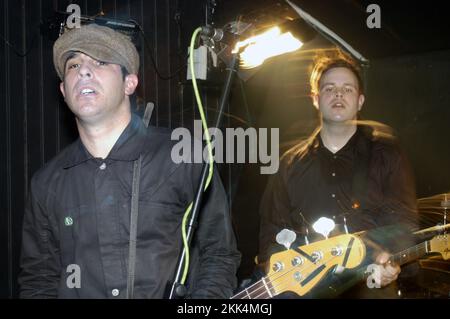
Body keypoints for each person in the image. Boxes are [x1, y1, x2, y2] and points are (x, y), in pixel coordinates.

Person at [18, 24, 240, 298]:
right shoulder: (46, 183)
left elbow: (219, 255)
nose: (84, 71)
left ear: (129, 83)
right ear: (64, 90)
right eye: (74, 66)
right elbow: (38, 281)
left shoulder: (184, 157)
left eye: (100, 61)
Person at [257, 50, 418, 298]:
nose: (339, 94)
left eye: (348, 89)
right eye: (330, 88)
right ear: (315, 98)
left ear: (361, 101)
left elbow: (403, 223)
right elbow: (272, 233)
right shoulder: (289, 164)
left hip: (370, 287)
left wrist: (391, 262)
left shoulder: (386, 153)